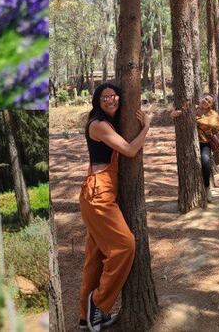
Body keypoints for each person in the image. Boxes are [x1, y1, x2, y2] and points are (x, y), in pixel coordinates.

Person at [78, 83, 148, 332]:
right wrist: (147, 128)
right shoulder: (99, 125)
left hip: (99, 192)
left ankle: (85, 317)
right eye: (105, 97)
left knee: (96, 256)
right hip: (98, 195)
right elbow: (129, 150)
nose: (111, 99)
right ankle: (98, 304)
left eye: (114, 95)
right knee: (124, 245)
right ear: (97, 101)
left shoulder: (110, 123)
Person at [171, 93, 219, 202]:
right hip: (189, 143)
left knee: (205, 162)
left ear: (210, 105)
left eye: (209, 102)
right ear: (201, 99)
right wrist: (172, 114)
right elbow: (178, 116)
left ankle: (207, 189)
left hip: (204, 143)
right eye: (205, 99)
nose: (206, 102)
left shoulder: (212, 115)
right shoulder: (191, 108)